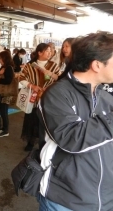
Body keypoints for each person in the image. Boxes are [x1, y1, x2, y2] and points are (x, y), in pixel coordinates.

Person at [37, 33, 113, 211]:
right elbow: (71, 138)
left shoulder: (105, 98)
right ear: (97, 64)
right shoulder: (57, 94)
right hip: (65, 199)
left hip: (106, 198)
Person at [19, 43, 59, 151]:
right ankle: (31, 141)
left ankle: (42, 143)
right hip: (33, 97)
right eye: (47, 51)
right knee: (31, 119)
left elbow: (59, 80)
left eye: (51, 51)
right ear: (39, 52)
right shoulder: (30, 65)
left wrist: (49, 88)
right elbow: (21, 78)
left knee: (44, 121)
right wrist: (32, 85)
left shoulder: (54, 66)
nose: (50, 53)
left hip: (48, 98)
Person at [0, 51, 15, 137]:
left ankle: (5, 130)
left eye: (0, 58)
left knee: (4, 112)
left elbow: (9, 80)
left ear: (4, 58)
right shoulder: (4, 67)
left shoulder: (9, 68)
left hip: (6, 94)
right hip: (1, 93)